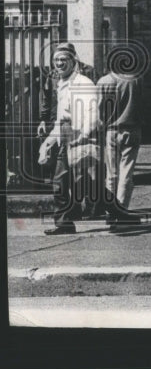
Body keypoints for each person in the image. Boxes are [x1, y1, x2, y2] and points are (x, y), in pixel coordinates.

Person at [40, 42, 99, 235]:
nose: (59, 63)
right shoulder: (60, 84)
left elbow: (92, 113)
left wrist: (83, 135)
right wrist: (48, 143)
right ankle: (64, 223)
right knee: (61, 181)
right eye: (56, 60)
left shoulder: (83, 83)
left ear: (73, 61)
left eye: (63, 59)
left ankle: (119, 213)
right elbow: (60, 119)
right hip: (65, 134)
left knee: (85, 182)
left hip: (78, 134)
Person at [96, 45, 145, 230]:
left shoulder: (104, 81)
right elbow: (142, 104)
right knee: (127, 172)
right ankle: (123, 209)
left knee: (112, 173)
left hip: (111, 130)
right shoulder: (136, 79)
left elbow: (99, 109)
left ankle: (111, 211)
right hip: (132, 128)